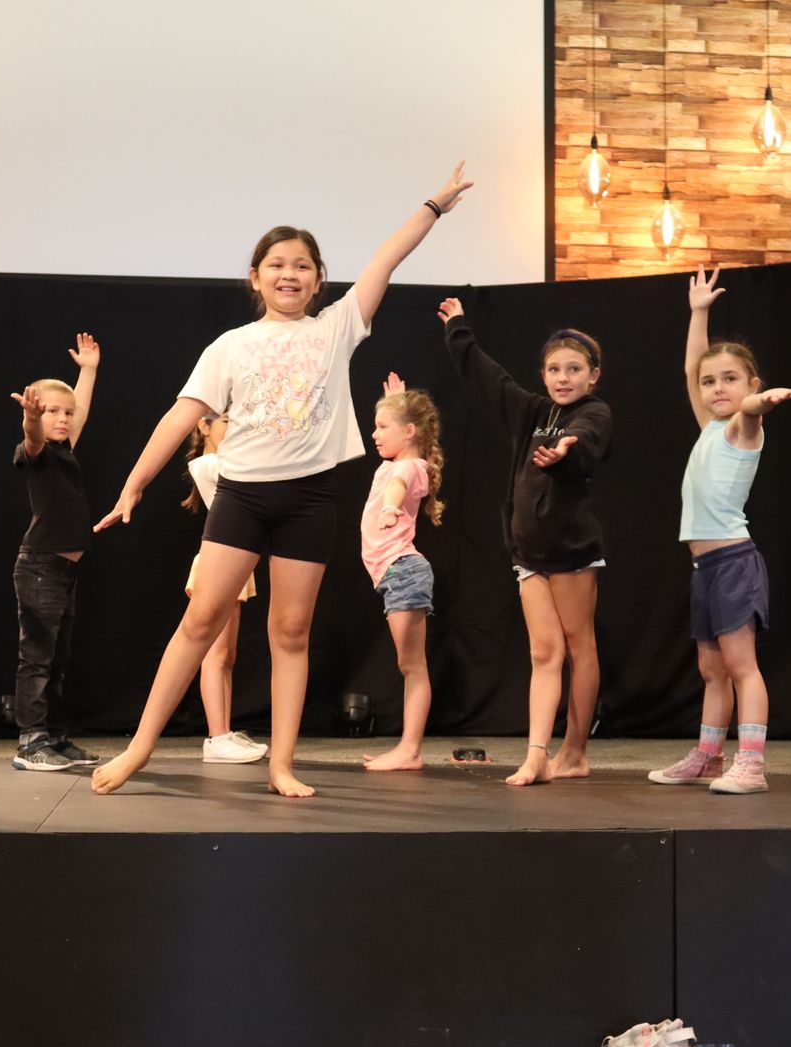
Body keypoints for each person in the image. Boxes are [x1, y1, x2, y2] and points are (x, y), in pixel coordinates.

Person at [91, 162, 473, 798]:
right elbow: (179, 417)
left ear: (319, 279)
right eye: (276, 264)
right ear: (255, 277)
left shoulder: (336, 328)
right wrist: (134, 484)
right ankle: (139, 747)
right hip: (241, 497)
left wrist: (433, 205)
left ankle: (281, 764)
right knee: (200, 620)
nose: (289, 274)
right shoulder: (230, 346)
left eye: (301, 265)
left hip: (309, 499)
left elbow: (386, 257)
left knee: (290, 634)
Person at [439, 298, 611, 786]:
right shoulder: (532, 411)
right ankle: (537, 754)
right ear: (543, 374)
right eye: (554, 369)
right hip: (529, 553)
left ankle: (574, 751)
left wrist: (567, 449)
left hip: (571, 551)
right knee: (543, 653)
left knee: (579, 646)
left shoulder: (594, 411)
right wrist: (458, 330)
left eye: (574, 369)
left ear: (593, 375)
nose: (563, 378)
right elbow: (490, 379)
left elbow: (588, 436)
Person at [647, 265, 791, 796]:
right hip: (705, 567)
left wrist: (764, 401)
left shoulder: (741, 427)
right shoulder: (710, 426)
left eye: (730, 379)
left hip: (735, 563)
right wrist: (698, 312)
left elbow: (751, 411)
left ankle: (751, 764)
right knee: (711, 670)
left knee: (741, 666)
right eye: (710, 382)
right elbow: (692, 365)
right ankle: (708, 756)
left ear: (751, 384)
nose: (717, 388)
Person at [9, 336, 105, 772]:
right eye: (52, 412)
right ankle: (30, 743)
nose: (63, 419)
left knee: (58, 660)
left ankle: (55, 737)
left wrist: (88, 370)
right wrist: (32, 419)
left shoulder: (64, 451)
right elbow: (32, 437)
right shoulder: (36, 453)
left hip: (63, 572)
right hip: (40, 568)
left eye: (66, 413)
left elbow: (78, 412)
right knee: (37, 658)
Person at [357, 374, 446, 773]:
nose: (374, 435)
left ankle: (410, 750)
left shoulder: (411, 467)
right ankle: (408, 748)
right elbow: (396, 466)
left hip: (403, 572)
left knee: (412, 666)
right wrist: (396, 402)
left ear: (409, 432)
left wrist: (392, 508)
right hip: (396, 574)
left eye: (382, 427)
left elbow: (398, 484)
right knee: (409, 666)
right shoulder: (401, 460)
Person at [181, 412, 269, 765]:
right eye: (227, 423)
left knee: (227, 656)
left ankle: (224, 731)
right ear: (204, 427)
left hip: (235, 566)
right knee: (215, 656)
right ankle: (216, 737)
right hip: (216, 565)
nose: (235, 431)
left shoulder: (226, 463)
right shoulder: (207, 465)